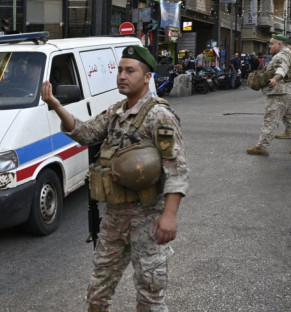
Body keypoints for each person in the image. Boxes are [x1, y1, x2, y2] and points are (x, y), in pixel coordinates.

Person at [41, 46, 189, 311]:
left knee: (150, 295)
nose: (122, 75)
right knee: (98, 290)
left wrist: (169, 215)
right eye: (119, 70)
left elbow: (176, 168)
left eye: (130, 70)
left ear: (147, 77)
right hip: (114, 218)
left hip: (147, 219)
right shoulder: (117, 112)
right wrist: (55, 105)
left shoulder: (159, 116)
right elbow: (86, 133)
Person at [246, 34, 291, 156]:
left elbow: (282, 69)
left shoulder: (282, 55)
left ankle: (261, 146)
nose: (269, 46)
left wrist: (275, 79)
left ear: (280, 44)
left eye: (272, 44)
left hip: (280, 92)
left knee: (270, 119)